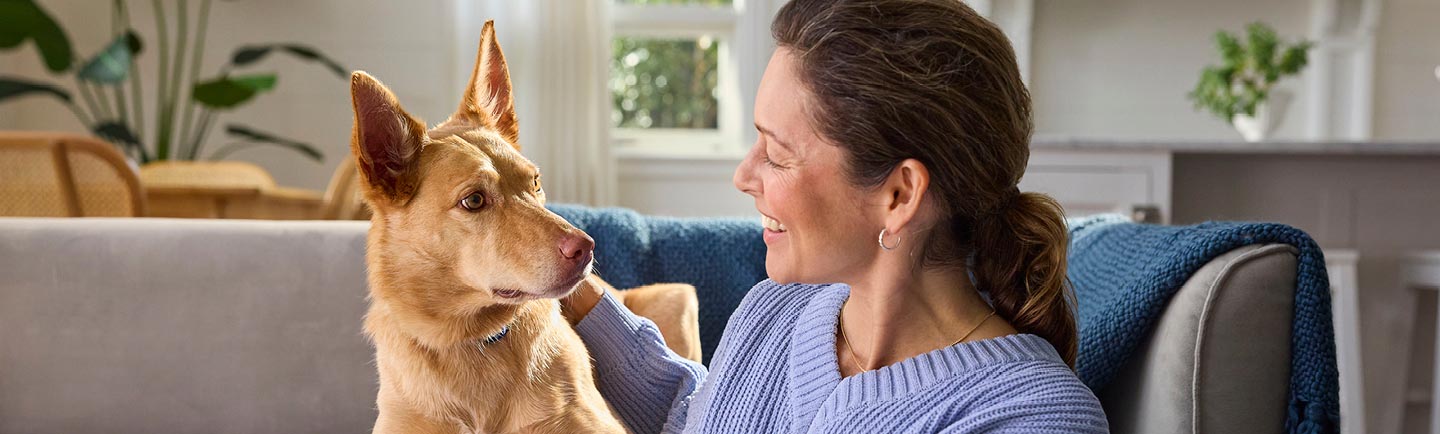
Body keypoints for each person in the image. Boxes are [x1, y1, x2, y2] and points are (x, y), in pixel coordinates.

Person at [562, 0, 1109, 432]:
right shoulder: (774, 311)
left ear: (899, 195)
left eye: (777, 154)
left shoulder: (1029, 416)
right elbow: (697, 419)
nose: (745, 175)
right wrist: (560, 276)